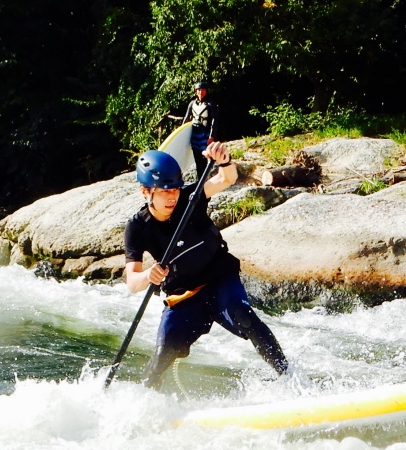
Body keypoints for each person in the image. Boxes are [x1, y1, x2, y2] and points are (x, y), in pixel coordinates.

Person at [123, 141, 289, 388]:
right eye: (164, 191)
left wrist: (224, 160)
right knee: (163, 354)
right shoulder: (137, 227)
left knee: (244, 316)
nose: (172, 197)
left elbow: (226, 178)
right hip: (184, 294)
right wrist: (150, 274)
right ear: (146, 192)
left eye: (175, 189)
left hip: (219, 279)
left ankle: (290, 377)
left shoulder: (190, 199)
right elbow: (132, 283)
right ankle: (147, 403)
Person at [183, 80, 219, 182]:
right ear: (196, 92)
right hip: (195, 134)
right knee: (197, 159)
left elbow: (214, 120)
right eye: (198, 90)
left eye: (202, 90)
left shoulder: (210, 103)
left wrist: (212, 136)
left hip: (205, 134)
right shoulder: (192, 104)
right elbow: (186, 119)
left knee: (203, 158)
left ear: (206, 91)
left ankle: (204, 180)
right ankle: (200, 181)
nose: (200, 92)